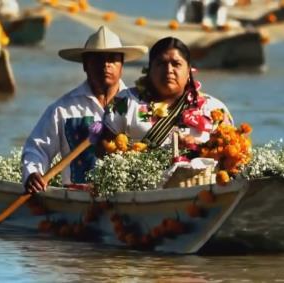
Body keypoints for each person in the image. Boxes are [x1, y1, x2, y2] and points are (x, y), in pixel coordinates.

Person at [22, 26, 148, 193]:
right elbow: (37, 149)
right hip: (75, 200)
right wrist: (33, 174)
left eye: (112, 59)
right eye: (97, 59)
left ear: (122, 65)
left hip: (129, 198)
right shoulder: (63, 109)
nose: (105, 65)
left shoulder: (140, 106)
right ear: (85, 65)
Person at [105, 37, 233, 149]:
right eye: (161, 63)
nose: (168, 70)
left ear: (189, 70)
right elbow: (103, 148)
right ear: (149, 69)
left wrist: (199, 148)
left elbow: (231, 153)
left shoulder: (214, 109)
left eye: (176, 64)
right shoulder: (125, 101)